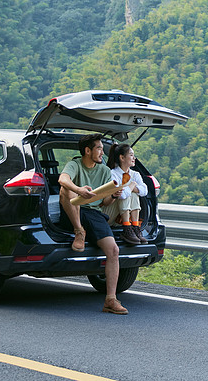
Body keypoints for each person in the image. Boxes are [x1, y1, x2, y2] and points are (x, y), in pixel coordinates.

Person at [58, 133, 127, 315]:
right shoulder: (75, 164)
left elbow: (104, 203)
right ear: (87, 151)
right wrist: (78, 189)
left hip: (95, 213)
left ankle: (110, 300)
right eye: (99, 148)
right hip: (73, 211)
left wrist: (112, 195)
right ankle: (79, 231)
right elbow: (63, 180)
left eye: (103, 149)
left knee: (113, 250)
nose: (102, 152)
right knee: (66, 190)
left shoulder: (104, 170)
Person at [101, 144, 148, 245]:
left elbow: (144, 191)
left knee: (133, 194)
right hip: (109, 215)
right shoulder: (113, 173)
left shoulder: (135, 174)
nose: (134, 158)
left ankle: (135, 227)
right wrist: (132, 185)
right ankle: (127, 227)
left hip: (120, 217)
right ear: (122, 158)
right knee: (125, 193)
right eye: (131, 155)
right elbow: (121, 195)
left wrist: (131, 188)